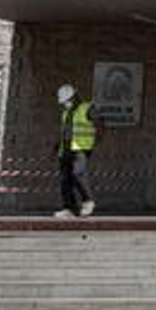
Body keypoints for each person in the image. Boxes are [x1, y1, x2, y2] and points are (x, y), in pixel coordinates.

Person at [54, 83, 100, 219]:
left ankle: (88, 201)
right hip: (66, 148)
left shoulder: (88, 108)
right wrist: (56, 147)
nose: (65, 104)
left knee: (77, 173)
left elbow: (101, 124)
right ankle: (69, 208)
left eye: (67, 101)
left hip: (81, 148)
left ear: (74, 97)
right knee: (65, 179)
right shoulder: (66, 112)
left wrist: (95, 142)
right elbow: (65, 132)